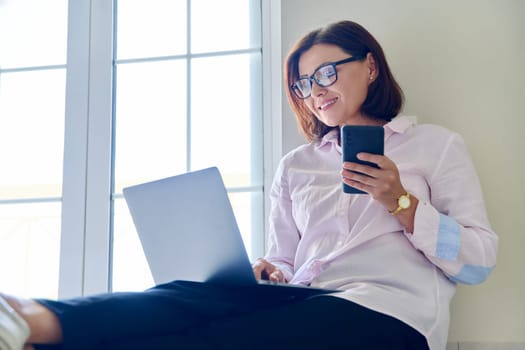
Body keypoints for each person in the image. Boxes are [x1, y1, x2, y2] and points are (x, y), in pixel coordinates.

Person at [0, 20, 498, 350]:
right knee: (189, 295)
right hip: (305, 301)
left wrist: (404, 203)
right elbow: (285, 258)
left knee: (227, 332)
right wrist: (272, 271)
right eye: (303, 83)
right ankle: (28, 317)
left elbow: (478, 263)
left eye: (327, 72)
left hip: (391, 316)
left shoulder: (434, 146)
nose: (315, 90)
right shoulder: (297, 166)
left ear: (369, 66)